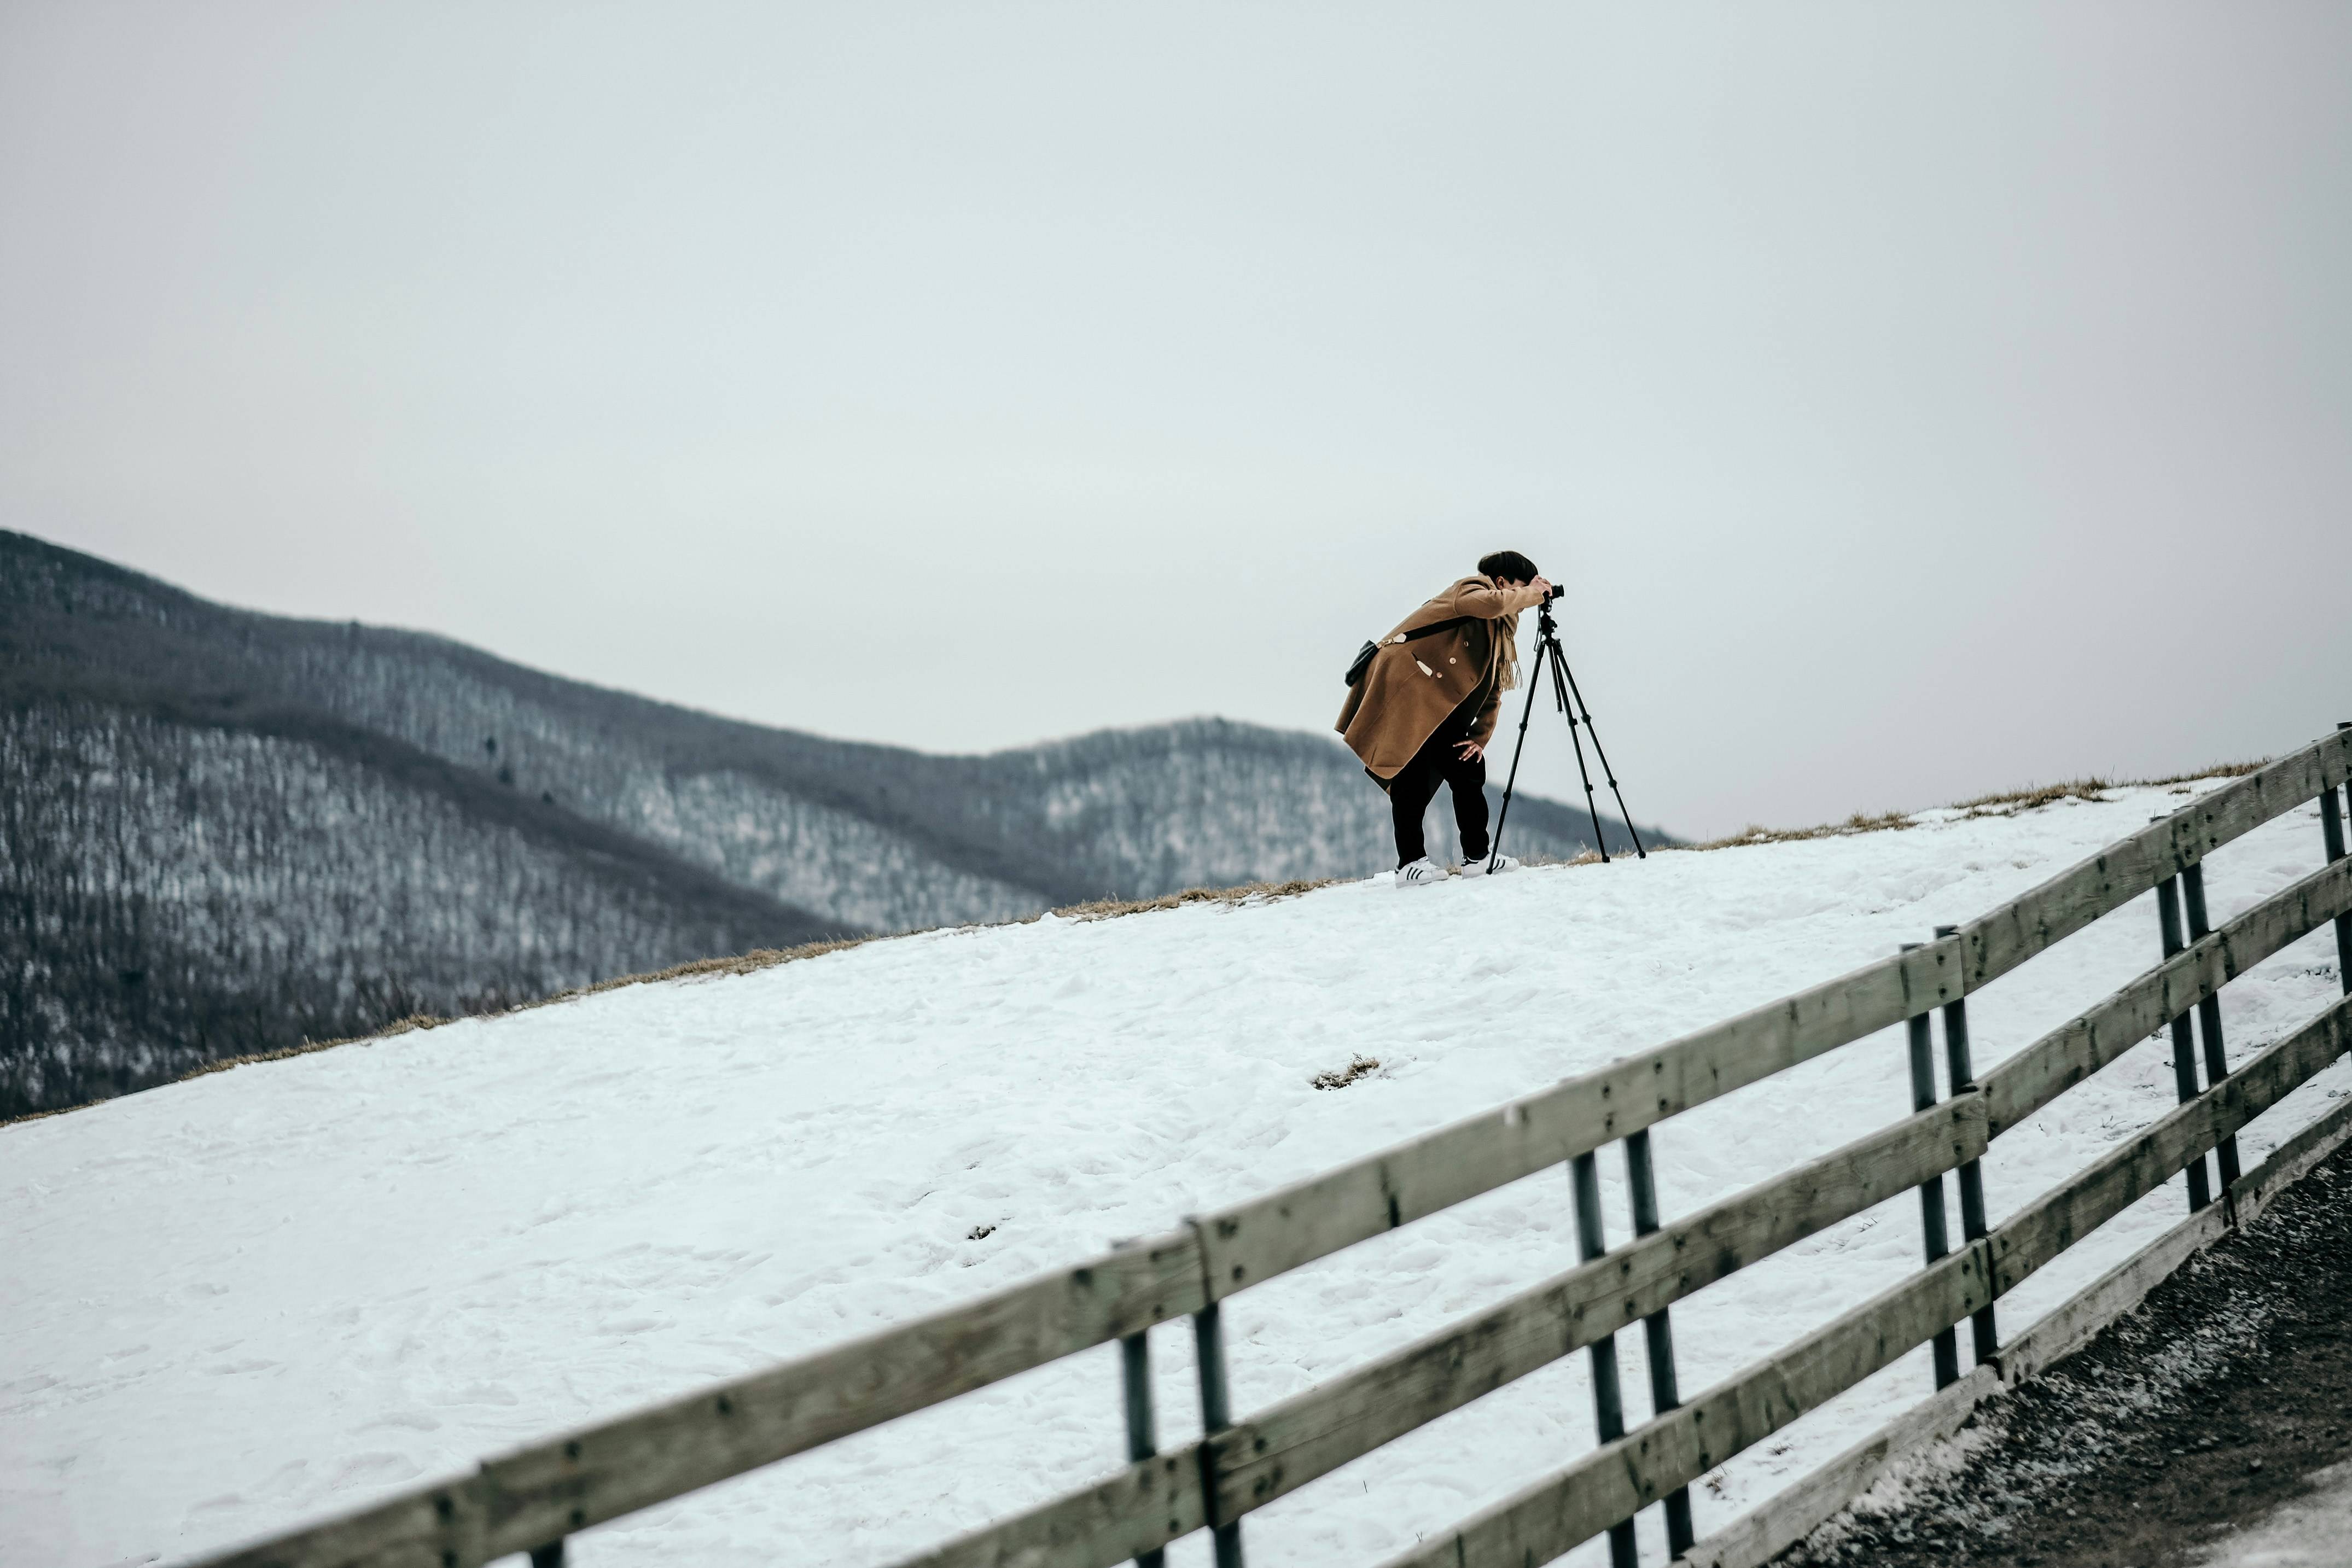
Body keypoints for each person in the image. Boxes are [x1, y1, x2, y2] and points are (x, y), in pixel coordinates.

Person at [1336, 551, 1551, 886]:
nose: (1524, 602)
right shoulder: (1470, 590)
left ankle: (1470, 858)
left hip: (1435, 702)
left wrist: (1479, 738)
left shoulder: (1500, 631)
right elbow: (1491, 604)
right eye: (1521, 589)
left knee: (1460, 766)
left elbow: (1493, 687)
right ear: (1501, 582)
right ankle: (1417, 863)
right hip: (1408, 687)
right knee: (1415, 775)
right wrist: (1535, 592)